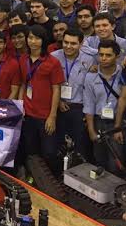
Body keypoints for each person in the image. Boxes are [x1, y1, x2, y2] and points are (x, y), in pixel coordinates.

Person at [18, 25, 64, 173]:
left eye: (37, 38)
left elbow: (57, 89)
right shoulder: (23, 59)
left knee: (49, 152)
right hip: (28, 113)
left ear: (43, 41)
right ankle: (35, 178)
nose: (33, 41)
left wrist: (52, 116)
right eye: (30, 38)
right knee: (31, 150)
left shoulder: (53, 62)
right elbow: (23, 84)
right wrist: (20, 106)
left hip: (45, 115)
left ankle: (53, 180)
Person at [51, 29, 93, 158]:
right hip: (58, 106)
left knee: (79, 146)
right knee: (58, 145)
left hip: (79, 108)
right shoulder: (53, 57)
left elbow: (90, 88)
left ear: (81, 44)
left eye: (73, 43)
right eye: (66, 42)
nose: (68, 46)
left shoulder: (90, 59)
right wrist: (58, 102)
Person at [83, 40, 124, 173]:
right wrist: (91, 130)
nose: (104, 58)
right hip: (99, 122)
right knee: (99, 160)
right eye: (101, 55)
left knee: (116, 163)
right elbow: (89, 104)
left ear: (117, 57)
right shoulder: (90, 77)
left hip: (119, 123)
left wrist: (118, 128)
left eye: (108, 55)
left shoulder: (122, 75)